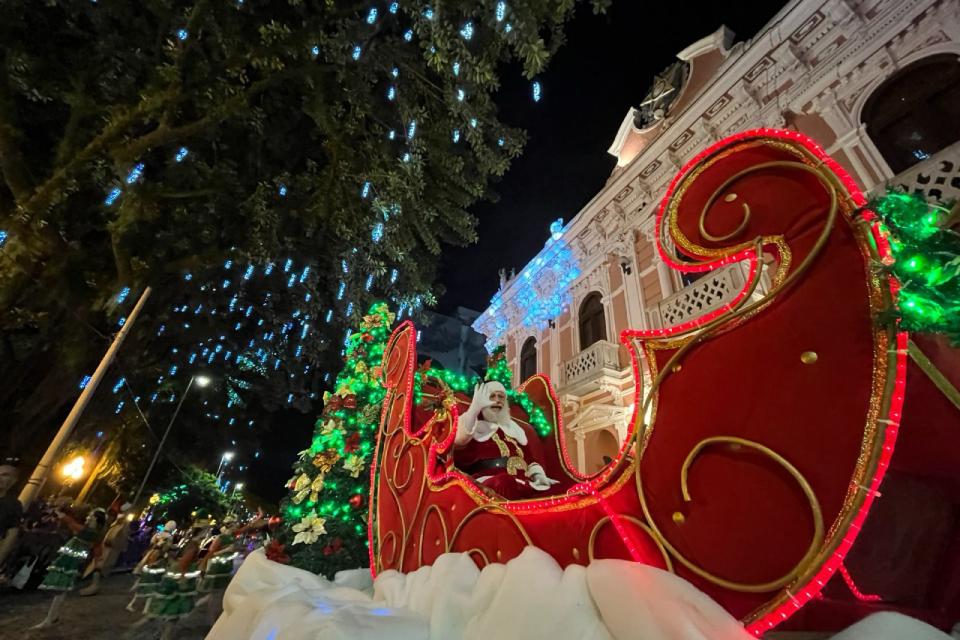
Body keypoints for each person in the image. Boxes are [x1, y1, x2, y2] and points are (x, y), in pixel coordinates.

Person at [454, 381, 559, 500]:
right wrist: (474, 409)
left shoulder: (515, 430)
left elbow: (530, 460)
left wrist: (538, 475)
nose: (497, 400)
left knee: (557, 489)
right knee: (505, 481)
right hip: (488, 484)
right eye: (492, 396)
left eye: (501, 396)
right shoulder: (473, 425)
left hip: (522, 483)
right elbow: (459, 439)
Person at [33, 507, 108, 628]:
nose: (88, 517)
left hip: (70, 562)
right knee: (61, 590)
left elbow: (71, 524)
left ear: (95, 519)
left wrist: (60, 513)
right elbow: (97, 550)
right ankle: (52, 617)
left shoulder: (89, 532)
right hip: (72, 561)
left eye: (91, 516)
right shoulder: (94, 533)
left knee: (60, 589)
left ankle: (50, 619)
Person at [79, 505, 132, 596]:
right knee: (97, 566)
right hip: (105, 548)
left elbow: (122, 540)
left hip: (110, 550)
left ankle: (95, 586)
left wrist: (112, 543)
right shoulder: (115, 523)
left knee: (100, 567)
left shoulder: (124, 526)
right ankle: (93, 585)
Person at [0, 457, 23, 572]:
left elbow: (11, 535)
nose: (0, 478)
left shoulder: (14, 505)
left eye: (5, 475)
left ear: (13, 481)